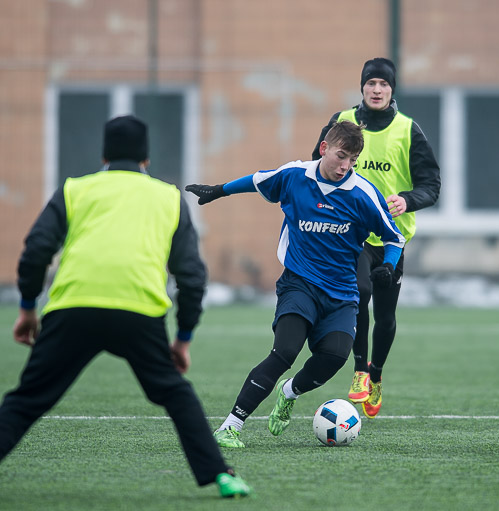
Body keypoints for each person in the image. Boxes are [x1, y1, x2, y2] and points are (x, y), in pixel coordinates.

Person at [0, 115, 251, 498]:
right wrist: (183, 339)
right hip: (139, 314)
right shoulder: (168, 197)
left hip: (73, 308)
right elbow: (192, 277)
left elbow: (35, 251)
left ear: (104, 155)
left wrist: (28, 309)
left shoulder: (74, 190)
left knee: (26, 400)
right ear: (146, 159)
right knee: (176, 394)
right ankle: (221, 475)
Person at [185, 120, 405, 448]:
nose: (345, 166)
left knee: (335, 356)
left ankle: (289, 392)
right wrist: (219, 190)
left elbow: (395, 238)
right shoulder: (295, 176)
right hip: (299, 284)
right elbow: (257, 180)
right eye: (341, 156)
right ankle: (230, 426)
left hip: (342, 294)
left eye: (352, 160)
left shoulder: (363, 193)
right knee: (285, 352)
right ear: (324, 148)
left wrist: (387, 264)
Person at [311, 58, 440, 418]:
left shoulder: (408, 129)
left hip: (391, 237)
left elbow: (432, 185)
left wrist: (408, 200)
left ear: (392, 89)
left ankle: (376, 374)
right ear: (362, 87)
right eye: (371, 83)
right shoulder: (342, 122)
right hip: (350, 233)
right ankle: (359, 370)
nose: (377, 90)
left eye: (384, 84)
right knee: (359, 292)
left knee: (385, 315)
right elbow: (316, 166)